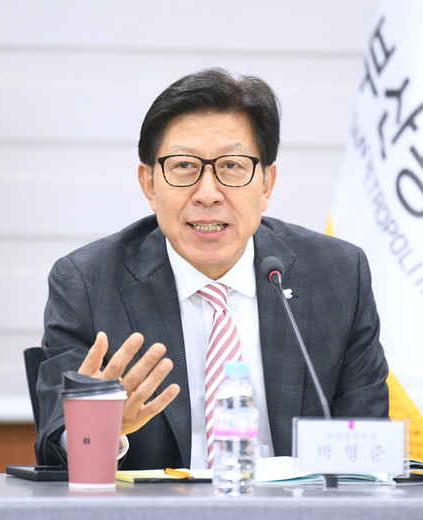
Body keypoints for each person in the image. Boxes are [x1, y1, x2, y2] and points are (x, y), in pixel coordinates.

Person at [35, 68, 390, 470]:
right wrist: (100, 430)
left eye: (232, 166)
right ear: (149, 184)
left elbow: (368, 448)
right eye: (184, 166)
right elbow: (56, 441)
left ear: (266, 184)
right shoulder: (87, 282)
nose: (207, 194)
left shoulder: (337, 276)